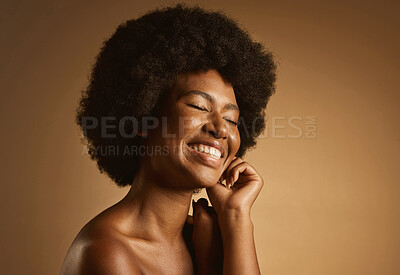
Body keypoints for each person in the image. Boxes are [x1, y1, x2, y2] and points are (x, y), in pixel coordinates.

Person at [61, 3, 276, 274]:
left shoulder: (208, 238)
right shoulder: (107, 251)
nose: (221, 129)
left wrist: (236, 217)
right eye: (198, 106)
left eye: (232, 120)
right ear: (141, 118)